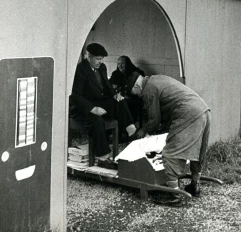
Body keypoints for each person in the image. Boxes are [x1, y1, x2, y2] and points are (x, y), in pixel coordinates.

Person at [126, 72, 211, 203]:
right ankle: (194, 185)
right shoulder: (156, 79)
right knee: (199, 150)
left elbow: (154, 119)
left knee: (170, 153)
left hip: (187, 113)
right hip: (203, 110)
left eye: (135, 93)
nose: (138, 96)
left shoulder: (148, 90)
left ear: (137, 86)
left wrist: (143, 131)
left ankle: (174, 195)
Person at [70, 43, 137, 167]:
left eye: (101, 59)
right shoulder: (80, 69)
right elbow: (76, 97)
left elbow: (107, 86)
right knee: (97, 120)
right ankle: (102, 158)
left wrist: (114, 95)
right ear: (88, 56)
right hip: (83, 107)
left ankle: (131, 130)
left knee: (120, 101)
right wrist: (92, 109)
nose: (100, 62)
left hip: (99, 102)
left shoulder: (102, 68)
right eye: (97, 59)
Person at [110, 56, 145, 125]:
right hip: (121, 97)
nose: (120, 66)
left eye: (123, 63)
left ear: (128, 64)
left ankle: (131, 124)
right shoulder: (115, 74)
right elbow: (111, 86)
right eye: (118, 64)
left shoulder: (136, 73)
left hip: (134, 97)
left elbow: (140, 89)